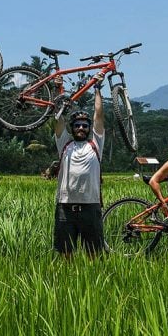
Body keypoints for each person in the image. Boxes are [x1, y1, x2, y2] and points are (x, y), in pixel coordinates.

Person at [52, 73, 106, 257]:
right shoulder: (65, 144)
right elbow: (58, 118)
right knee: (65, 255)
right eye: (77, 125)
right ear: (72, 128)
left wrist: (97, 88)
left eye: (84, 125)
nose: (81, 128)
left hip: (91, 206)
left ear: (89, 128)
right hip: (65, 207)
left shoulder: (96, 144)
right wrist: (57, 89)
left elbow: (98, 115)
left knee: (94, 255)